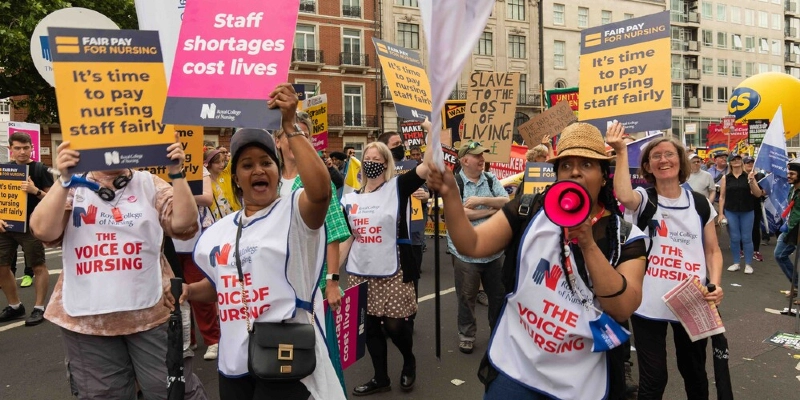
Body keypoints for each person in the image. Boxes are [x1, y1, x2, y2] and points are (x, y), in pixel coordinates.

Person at [427, 122, 647, 399]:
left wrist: (588, 243)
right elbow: (472, 244)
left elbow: (622, 308)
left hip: (580, 380)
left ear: (604, 176)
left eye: (587, 164)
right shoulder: (527, 209)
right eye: (566, 165)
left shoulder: (625, 236)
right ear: (556, 175)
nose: (575, 171)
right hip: (518, 368)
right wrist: (450, 194)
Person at [185, 84, 345, 400]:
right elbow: (221, 285)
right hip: (234, 362)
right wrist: (189, 292)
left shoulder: (295, 210)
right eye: (247, 165)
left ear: (275, 169)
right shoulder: (219, 231)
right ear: (236, 179)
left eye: (266, 162)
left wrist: (289, 126)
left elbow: (322, 192)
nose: (258, 169)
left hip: (283, 354)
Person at [29, 133, 207, 399]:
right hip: (88, 322)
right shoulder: (74, 186)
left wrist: (177, 174)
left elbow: (184, 224)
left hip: (150, 315)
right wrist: (64, 180)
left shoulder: (150, 184)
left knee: (170, 392)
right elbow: (42, 229)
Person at [608, 122, 724, 400]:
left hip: (692, 300)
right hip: (647, 302)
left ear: (680, 161)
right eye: (656, 156)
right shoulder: (644, 200)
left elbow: (713, 251)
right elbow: (623, 195)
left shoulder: (699, 203)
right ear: (647, 166)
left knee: (695, 373)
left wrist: (715, 284)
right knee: (654, 378)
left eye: (669, 154)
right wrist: (622, 151)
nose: (664, 160)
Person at [340, 138, 433, 396]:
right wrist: (332, 274)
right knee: (370, 327)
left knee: (395, 325)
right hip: (361, 270)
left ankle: (408, 359)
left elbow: (429, 164)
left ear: (386, 163)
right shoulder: (350, 198)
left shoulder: (399, 186)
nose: (371, 163)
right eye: (367, 159)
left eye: (376, 160)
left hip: (393, 267)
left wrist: (431, 131)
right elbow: (347, 237)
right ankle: (380, 378)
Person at [274, 110, 351, 391]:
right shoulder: (269, 182)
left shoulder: (319, 181)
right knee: (280, 355)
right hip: (275, 285)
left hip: (311, 288)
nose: (296, 140)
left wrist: (332, 282)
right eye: (290, 134)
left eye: (304, 136)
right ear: (278, 141)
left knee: (318, 354)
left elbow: (333, 233)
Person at [448, 141, 509, 355]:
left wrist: (480, 201)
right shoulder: (455, 183)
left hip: (494, 251)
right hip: (466, 254)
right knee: (466, 297)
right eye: (477, 156)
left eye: (482, 155)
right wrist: (491, 211)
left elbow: (507, 202)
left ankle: (498, 333)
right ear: (465, 160)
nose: (482, 159)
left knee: (499, 296)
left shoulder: (491, 180)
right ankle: (466, 334)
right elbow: (458, 214)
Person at [0, 131, 54, 326]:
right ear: (11, 150)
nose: (22, 152)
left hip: (32, 226)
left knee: (38, 266)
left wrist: (35, 191)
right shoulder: (5, 170)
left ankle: (39, 308)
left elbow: (53, 201)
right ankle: (15, 306)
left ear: (32, 148)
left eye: (26, 148)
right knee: (2, 267)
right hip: (7, 227)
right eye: (17, 148)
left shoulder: (41, 170)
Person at [172, 165, 220, 361]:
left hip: (195, 241)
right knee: (175, 294)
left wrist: (179, 186)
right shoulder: (156, 167)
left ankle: (212, 339)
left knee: (199, 292)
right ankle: (186, 339)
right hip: (168, 241)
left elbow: (207, 198)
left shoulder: (198, 168)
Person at [720, 153, 763, 274]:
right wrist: (721, 214)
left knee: (746, 238)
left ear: (741, 161)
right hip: (731, 211)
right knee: (734, 238)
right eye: (733, 159)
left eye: (738, 159)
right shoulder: (725, 178)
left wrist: (751, 181)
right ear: (730, 162)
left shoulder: (749, 176)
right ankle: (736, 263)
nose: (736, 161)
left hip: (747, 211)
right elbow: (722, 197)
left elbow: (758, 194)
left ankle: (748, 264)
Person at [775, 159, 800, 300]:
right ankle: (796, 285)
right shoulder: (792, 189)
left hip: (798, 230)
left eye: (792, 173)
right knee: (779, 255)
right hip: (789, 229)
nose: (788, 176)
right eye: (788, 173)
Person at [743, 156, 767, 261]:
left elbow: (764, 191)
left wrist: (758, 191)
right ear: (743, 164)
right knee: (743, 228)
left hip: (756, 204)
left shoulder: (760, 175)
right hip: (743, 204)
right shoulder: (741, 176)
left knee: (755, 228)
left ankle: (755, 251)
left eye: (751, 162)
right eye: (747, 162)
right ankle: (742, 249)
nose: (750, 164)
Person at [205, 148, 236, 220]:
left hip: (232, 216)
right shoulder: (204, 182)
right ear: (208, 163)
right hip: (214, 220)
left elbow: (235, 155)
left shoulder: (226, 173)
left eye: (223, 161)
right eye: (217, 162)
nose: (222, 164)